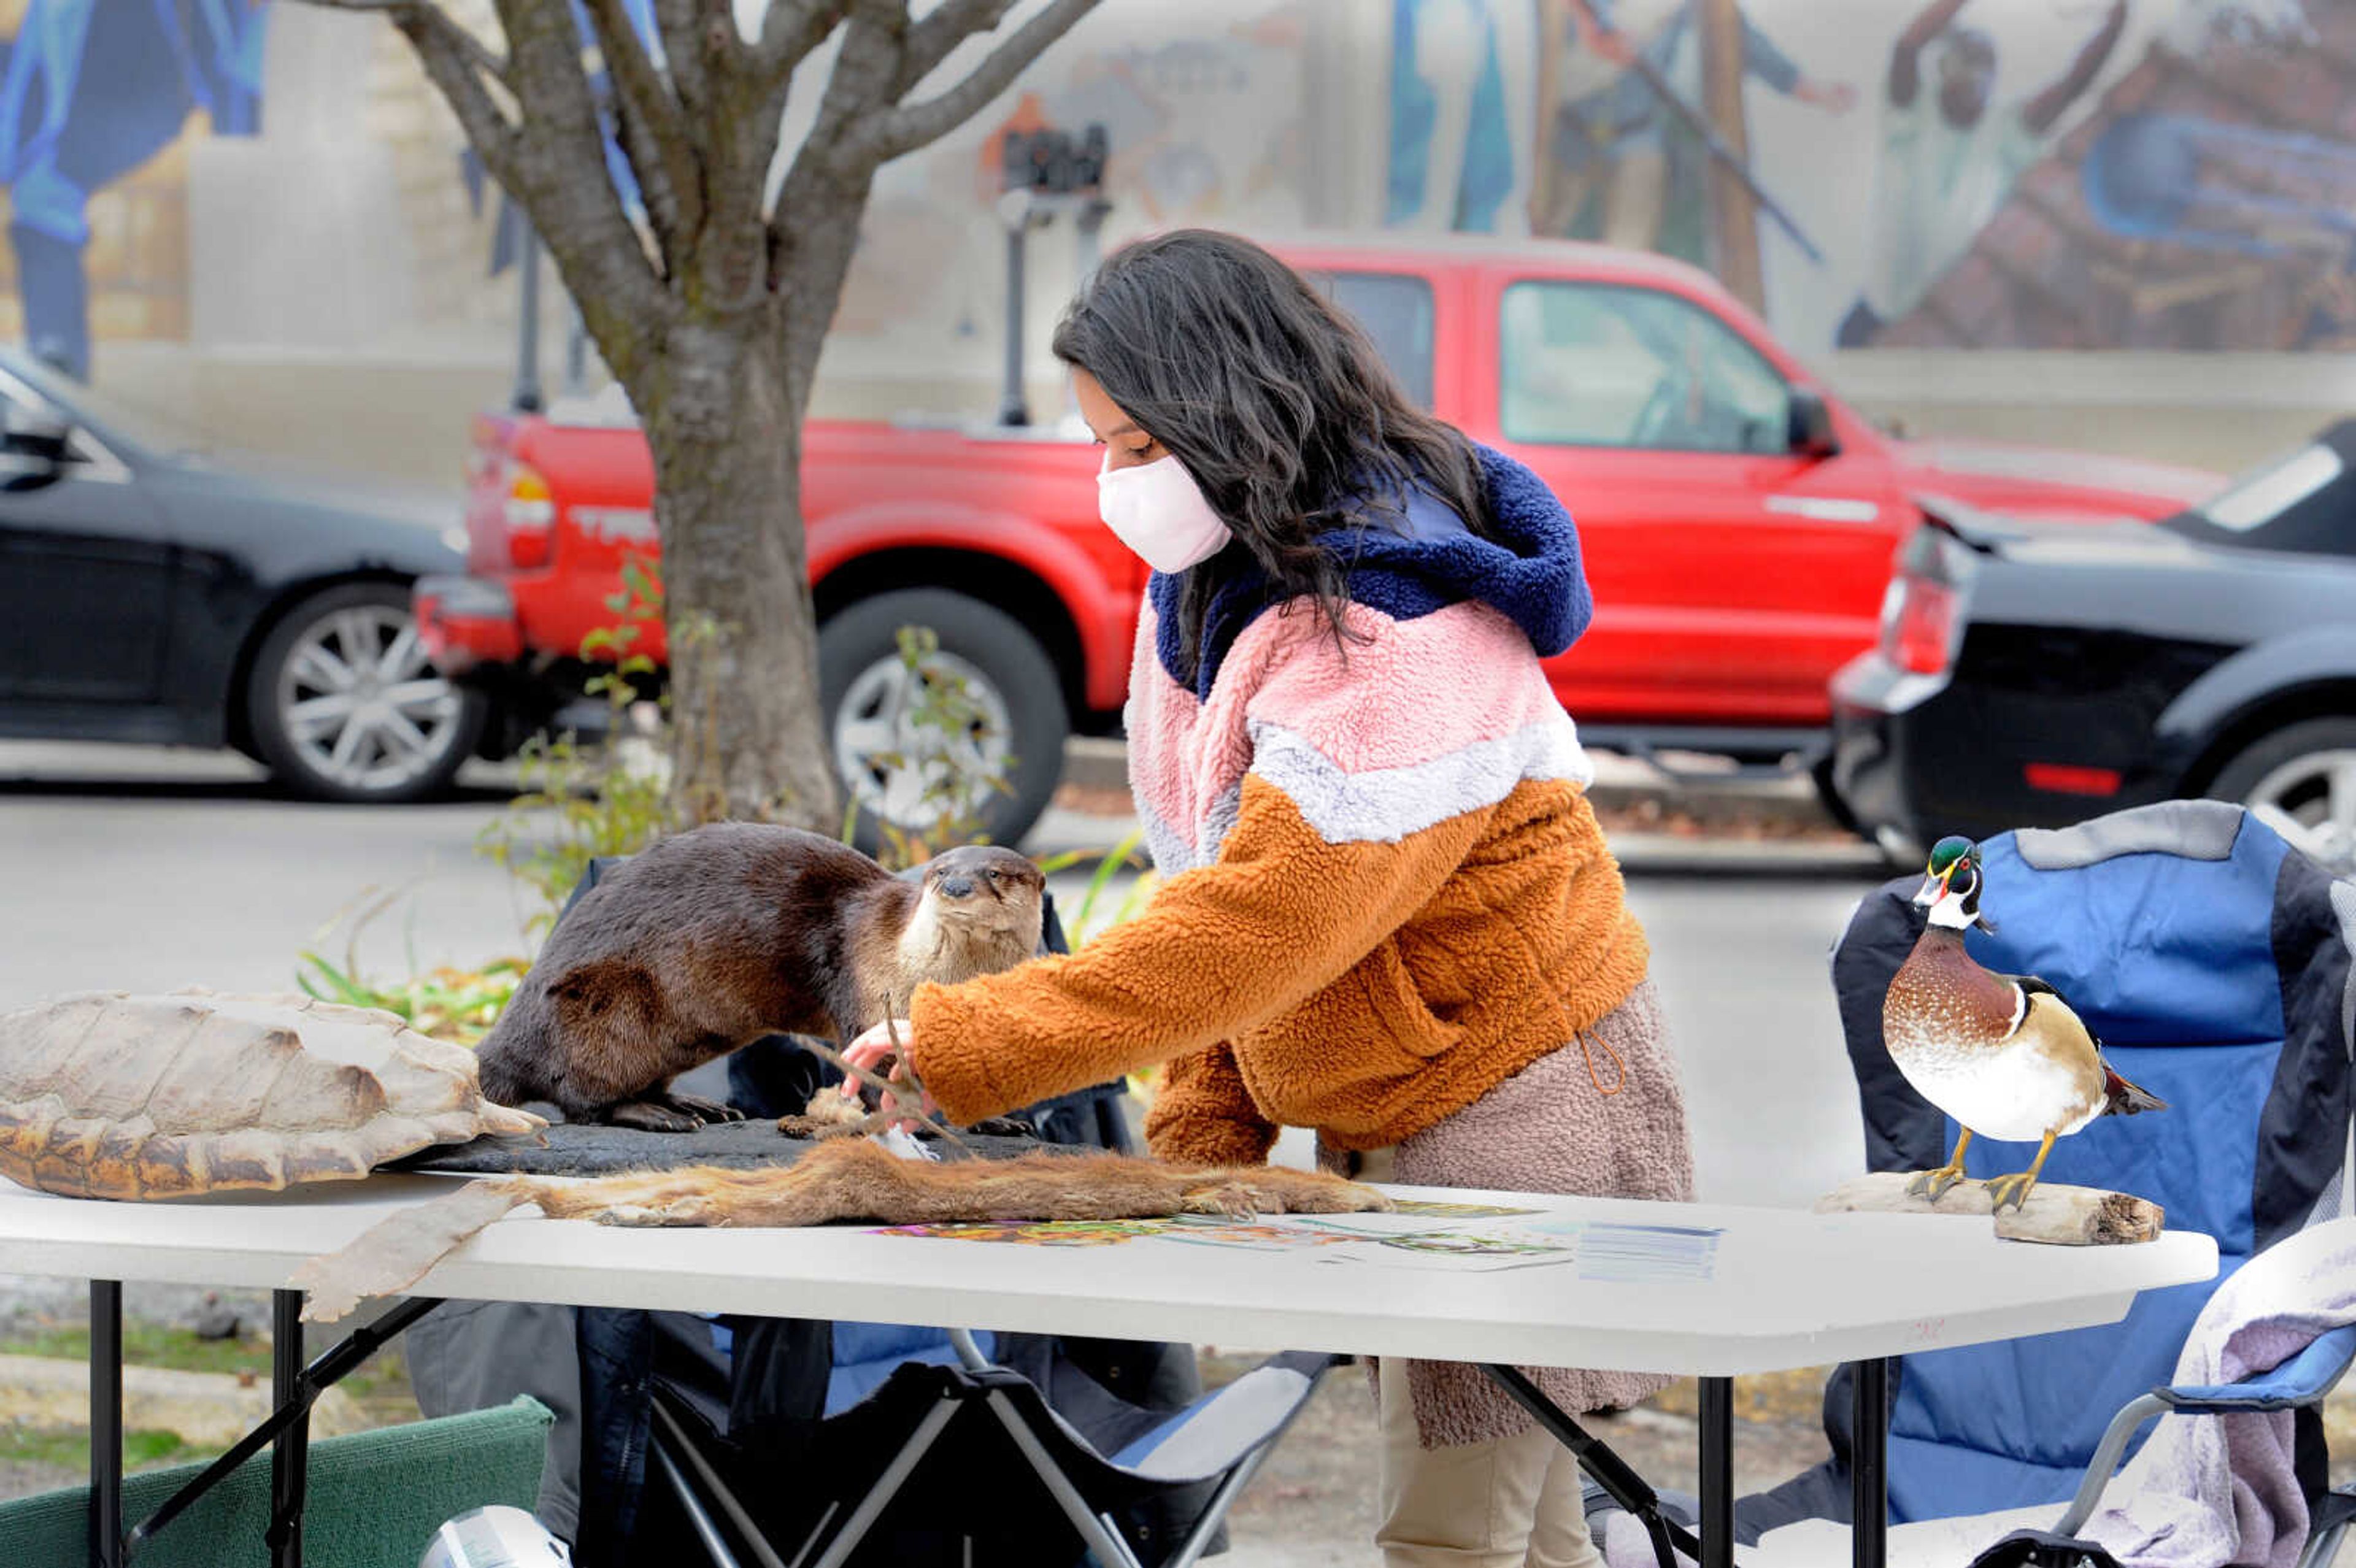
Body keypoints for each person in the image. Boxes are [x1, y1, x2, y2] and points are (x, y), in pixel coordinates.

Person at [841, 228, 1696, 1568]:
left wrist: (968, 1044)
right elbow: (1212, 879)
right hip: (1405, 1087)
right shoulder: (1218, 582)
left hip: (1520, 1102)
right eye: (1102, 444)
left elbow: (1268, 922)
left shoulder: (1394, 621)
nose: (1113, 480)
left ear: (1226, 412)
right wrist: (1200, 1138)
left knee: (1451, 1537)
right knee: (1528, 1538)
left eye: (1134, 447)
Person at [1837, 0, 2128, 347]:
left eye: (1984, 67)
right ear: (1944, 68)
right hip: (1876, 317)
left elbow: (2071, 87)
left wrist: (2113, 27)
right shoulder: (1910, 114)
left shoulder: (2004, 133)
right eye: (1966, 62)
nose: (1974, 76)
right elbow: (1908, 45)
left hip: (1946, 331)